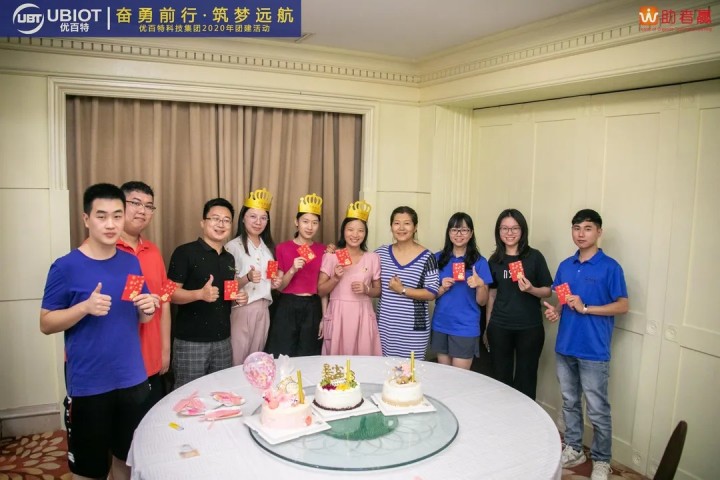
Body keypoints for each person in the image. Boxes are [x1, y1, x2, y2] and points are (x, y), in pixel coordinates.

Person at [40, 183, 158, 480]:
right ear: (86, 219)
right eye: (101, 216)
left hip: (131, 379)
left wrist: (147, 308)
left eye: (117, 216)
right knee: (89, 469)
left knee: (126, 459)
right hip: (89, 384)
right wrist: (84, 307)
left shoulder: (131, 262)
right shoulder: (65, 267)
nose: (110, 224)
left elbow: (140, 316)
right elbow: (46, 323)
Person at [543, 209, 629, 480]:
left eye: (587, 228)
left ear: (599, 232)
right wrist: (557, 311)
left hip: (593, 349)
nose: (581, 234)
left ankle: (602, 460)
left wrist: (586, 308)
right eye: (576, 228)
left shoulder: (611, 267)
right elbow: (563, 299)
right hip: (565, 346)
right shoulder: (566, 266)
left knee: (597, 409)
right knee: (569, 402)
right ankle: (574, 448)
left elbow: (623, 305)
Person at [167, 198, 247, 389]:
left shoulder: (229, 258)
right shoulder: (184, 252)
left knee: (220, 394)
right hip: (191, 342)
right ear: (203, 222)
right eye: (215, 219)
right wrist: (199, 294)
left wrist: (238, 298)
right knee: (188, 396)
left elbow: (228, 296)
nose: (221, 224)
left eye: (226, 220)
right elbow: (168, 294)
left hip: (223, 341)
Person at [486, 208, 553, 399]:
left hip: (529, 328)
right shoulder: (495, 260)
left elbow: (547, 291)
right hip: (500, 327)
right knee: (500, 380)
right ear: (498, 231)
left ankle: (525, 418)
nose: (510, 233)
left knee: (526, 379)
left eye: (515, 228)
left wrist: (531, 289)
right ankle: (503, 416)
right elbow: (492, 294)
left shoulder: (534, 257)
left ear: (522, 230)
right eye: (504, 228)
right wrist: (488, 326)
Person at [117, 181, 170, 408]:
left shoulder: (153, 250)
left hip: (151, 358)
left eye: (149, 206)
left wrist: (165, 350)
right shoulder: (104, 249)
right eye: (136, 203)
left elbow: (165, 300)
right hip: (118, 362)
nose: (142, 210)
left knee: (150, 420)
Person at [225, 188, 282, 366]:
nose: (258, 222)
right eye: (253, 216)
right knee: (236, 362)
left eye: (263, 218)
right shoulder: (232, 247)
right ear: (243, 218)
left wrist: (275, 282)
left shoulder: (269, 249)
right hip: (242, 309)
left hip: (264, 310)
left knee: (256, 363)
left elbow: (271, 281)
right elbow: (227, 288)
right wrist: (247, 278)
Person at [317, 200, 382, 356]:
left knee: (363, 360)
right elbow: (321, 291)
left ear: (365, 234)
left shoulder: (372, 258)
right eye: (350, 229)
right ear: (343, 231)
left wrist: (367, 289)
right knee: (337, 361)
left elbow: (378, 291)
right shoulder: (332, 256)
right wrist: (335, 278)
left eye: (360, 231)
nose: (355, 235)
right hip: (338, 314)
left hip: (363, 314)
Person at [266, 193, 326, 357]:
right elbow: (279, 287)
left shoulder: (323, 250)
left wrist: (324, 318)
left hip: (312, 306)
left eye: (314, 222)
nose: (310, 227)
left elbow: (323, 289)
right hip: (287, 305)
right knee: (282, 353)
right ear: (296, 222)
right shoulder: (282, 248)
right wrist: (292, 269)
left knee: (308, 355)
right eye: (305, 221)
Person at [375, 206, 439, 360]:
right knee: (384, 370)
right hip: (386, 328)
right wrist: (333, 253)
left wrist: (402, 290)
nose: (401, 228)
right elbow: (360, 265)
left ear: (415, 227)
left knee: (411, 371)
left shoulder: (427, 257)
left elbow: (432, 293)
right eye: (397, 223)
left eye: (407, 223)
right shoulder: (380, 253)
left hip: (414, 330)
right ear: (391, 227)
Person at [431, 212, 492, 369]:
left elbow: (482, 301)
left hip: (465, 326)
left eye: (464, 230)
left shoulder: (480, 262)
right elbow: (430, 295)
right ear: (448, 232)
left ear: (471, 233)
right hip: (441, 323)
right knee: (443, 375)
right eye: (454, 230)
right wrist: (442, 287)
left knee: (459, 378)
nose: (459, 234)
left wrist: (480, 284)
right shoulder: (437, 259)